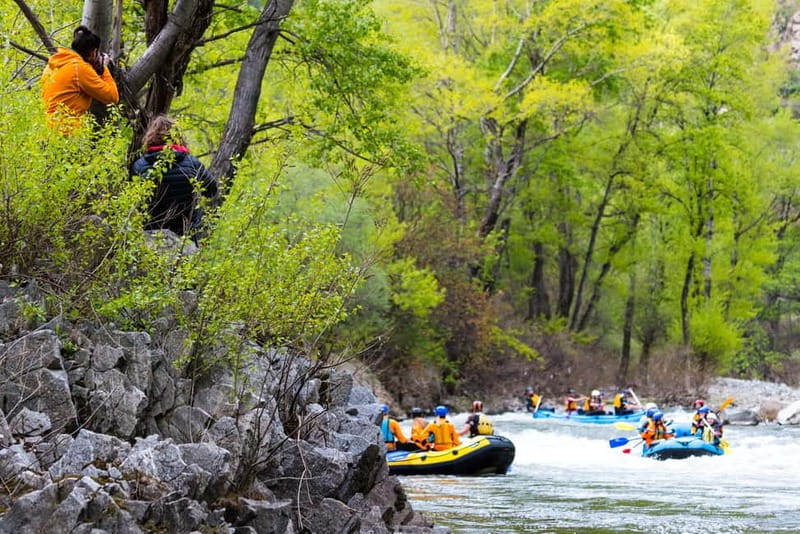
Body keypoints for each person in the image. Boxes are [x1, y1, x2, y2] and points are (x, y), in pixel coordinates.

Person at [131, 115, 218, 243]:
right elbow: (212, 190)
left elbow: (133, 200)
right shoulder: (192, 163)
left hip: (151, 236)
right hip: (186, 237)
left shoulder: (140, 165)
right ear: (177, 137)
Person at [41, 25, 119, 129]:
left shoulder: (54, 63)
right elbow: (113, 97)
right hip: (67, 131)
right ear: (93, 52)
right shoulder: (80, 68)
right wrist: (103, 67)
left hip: (46, 129)